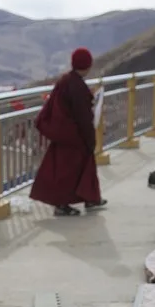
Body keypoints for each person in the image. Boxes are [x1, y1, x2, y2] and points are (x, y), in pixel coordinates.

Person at [29, 48, 105, 216]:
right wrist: (90, 139)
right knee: (69, 171)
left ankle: (90, 198)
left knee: (71, 168)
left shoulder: (66, 80)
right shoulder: (77, 86)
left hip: (62, 133)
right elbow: (83, 117)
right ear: (87, 66)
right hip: (73, 136)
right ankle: (62, 204)